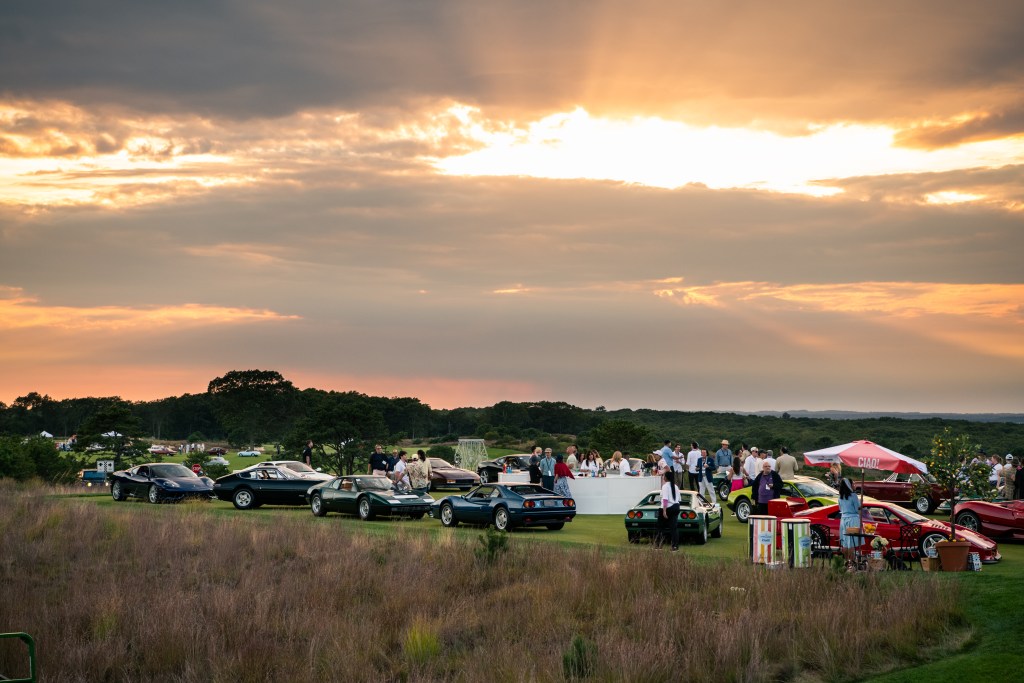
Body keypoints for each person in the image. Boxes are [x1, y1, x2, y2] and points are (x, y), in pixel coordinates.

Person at [838, 476, 863, 565]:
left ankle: (846, 562)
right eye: (853, 483)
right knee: (851, 542)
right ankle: (852, 563)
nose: (854, 485)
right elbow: (857, 509)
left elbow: (840, 508)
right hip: (853, 519)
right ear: (849, 485)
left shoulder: (840, 497)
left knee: (845, 542)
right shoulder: (853, 496)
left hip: (843, 520)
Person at [660, 470, 681, 551]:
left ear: (666, 477)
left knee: (660, 527)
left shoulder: (665, 486)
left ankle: (659, 544)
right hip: (676, 506)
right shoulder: (675, 486)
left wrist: (664, 511)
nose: (663, 477)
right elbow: (679, 498)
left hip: (669, 507)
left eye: (664, 476)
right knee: (674, 528)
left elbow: (665, 499)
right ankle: (675, 546)